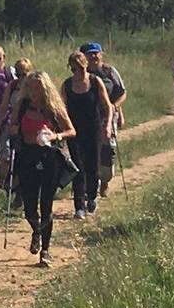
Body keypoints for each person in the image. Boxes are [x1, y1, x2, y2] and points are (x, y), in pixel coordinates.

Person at [7, 72, 75, 268]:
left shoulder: (53, 108)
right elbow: (12, 126)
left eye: (38, 88)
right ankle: (36, 230)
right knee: (29, 206)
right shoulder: (22, 107)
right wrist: (13, 131)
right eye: (31, 87)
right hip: (27, 156)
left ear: (45, 88)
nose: (34, 92)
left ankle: (45, 250)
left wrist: (55, 136)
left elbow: (71, 130)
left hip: (49, 157)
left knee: (46, 203)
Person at [61, 51, 113, 218]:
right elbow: (62, 109)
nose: (79, 72)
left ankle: (91, 196)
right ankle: (79, 206)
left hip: (94, 128)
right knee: (77, 167)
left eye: (82, 68)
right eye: (75, 69)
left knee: (93, 165)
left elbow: (108, 106)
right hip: (74, 130)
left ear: (86, 66)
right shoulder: (67, 85)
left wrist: (108, 125)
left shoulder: (95, 82)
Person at [81, 42, 126, 197]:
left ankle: (105, 181)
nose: (93, 56)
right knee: (89, 150)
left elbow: (122, 93)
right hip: (88, 117)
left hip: (107, 116)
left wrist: (115, 107)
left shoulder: (109, 72)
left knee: (107, 149)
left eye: (96, 53)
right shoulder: (81, 73)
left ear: (101, 54)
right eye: (89, 53)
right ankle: (91, 183)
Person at [0, 57, 34, 196]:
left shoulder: (35, 86)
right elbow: (4, 106)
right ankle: (3, 183)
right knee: (6, 156)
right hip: (12, 124)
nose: (21, 77)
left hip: (30, 126)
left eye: (24, 73)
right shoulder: (12, 86)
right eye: (18, 73)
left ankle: (21, 190)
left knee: (24, 159)